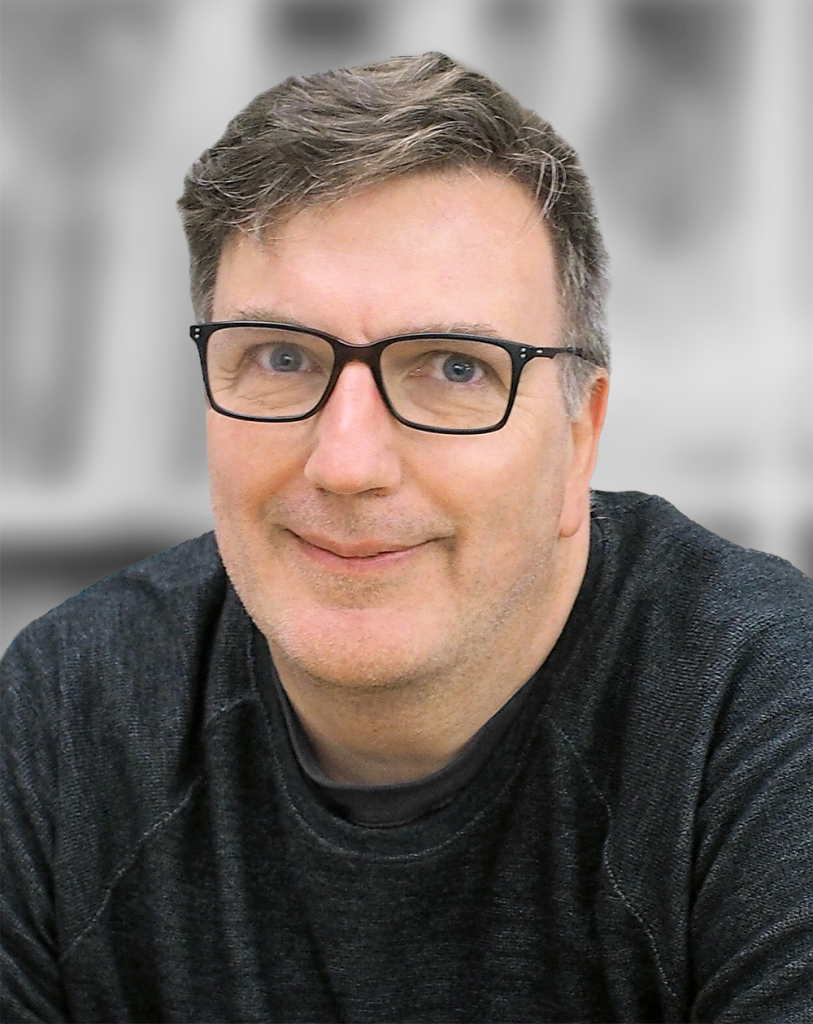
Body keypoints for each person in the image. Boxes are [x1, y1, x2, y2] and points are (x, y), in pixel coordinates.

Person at [1, 52, 811, 1024]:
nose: (347, 462)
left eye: (454, 369)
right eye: (282, 357)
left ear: (577, 438)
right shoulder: (67, 715)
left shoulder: (760, 712)